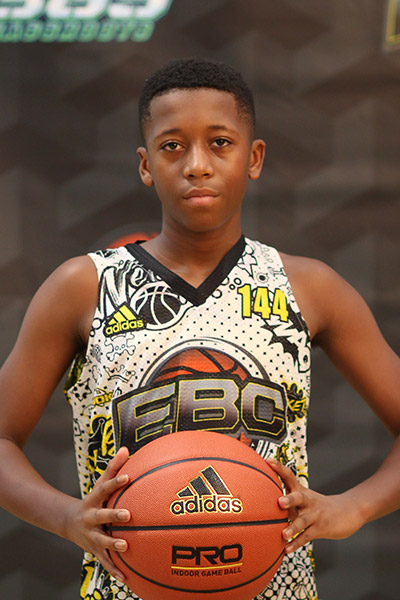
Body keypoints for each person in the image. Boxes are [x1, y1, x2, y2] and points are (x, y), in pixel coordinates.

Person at [0, 57, 399, 600]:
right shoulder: (84, 286)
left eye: (220, 143)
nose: (197, 165)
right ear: (145, 165)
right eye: (172, 146)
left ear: (253, 157)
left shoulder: (307, 286)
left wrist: (356, 506)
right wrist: (67, 517)